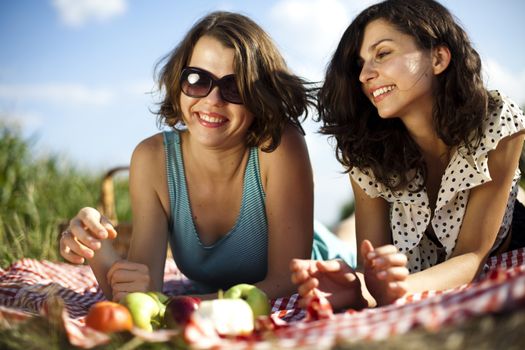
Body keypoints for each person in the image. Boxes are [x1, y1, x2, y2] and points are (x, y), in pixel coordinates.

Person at [59, 11, 354, 302]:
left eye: (234, 86)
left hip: (327, 262)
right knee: (344, 228)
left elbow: (287, 282)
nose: (212, 101)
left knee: (345, 235)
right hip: (230, 297)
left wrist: (182, 307)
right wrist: (95, 246)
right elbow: (142, 293)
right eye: (197, 79)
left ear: (260, 96)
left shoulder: (278, 144)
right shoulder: (152, 159)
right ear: (179, 82)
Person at [290, 0, 525, 311]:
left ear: (438, 58)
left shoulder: (496, 121)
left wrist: (400, 288)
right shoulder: (364, 153)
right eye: (360, 64)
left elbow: (471, 256)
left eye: (382, 53)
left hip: (501, 254)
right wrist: (357, 287)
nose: (364, 75)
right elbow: (372, 268)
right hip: (421, 278)